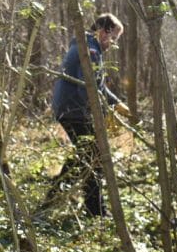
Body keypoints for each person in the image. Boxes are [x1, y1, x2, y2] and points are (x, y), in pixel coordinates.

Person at [48, 13, 130, 216]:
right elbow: (87, 88)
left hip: (69, 108)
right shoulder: (90, 50)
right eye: (113, 38)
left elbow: (97, 85)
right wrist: (102, 113)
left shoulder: (87, 46)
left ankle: (55, 195)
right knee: (94, 155)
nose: (113, 43)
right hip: (72, 109)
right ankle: (94, 209)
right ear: (104, 32)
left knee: (85, 153)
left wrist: (116, 103)